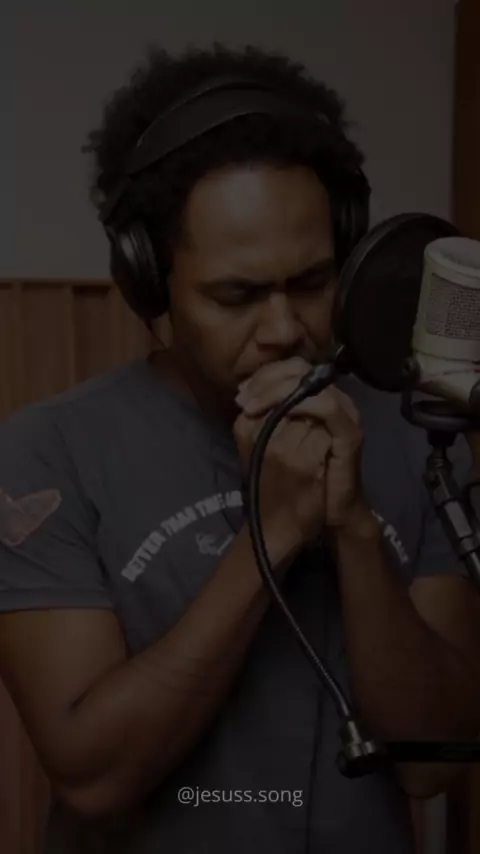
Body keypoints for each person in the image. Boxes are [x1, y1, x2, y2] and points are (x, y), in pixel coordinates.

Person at [1, 44, 480, 854]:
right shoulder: (47, 454)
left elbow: (431, 765)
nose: (285, 329)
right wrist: (274, 531)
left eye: (313, 283)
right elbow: (94, 778)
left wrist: (353, 526)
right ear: (150, 282)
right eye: (237, 295)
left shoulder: (417, 438)